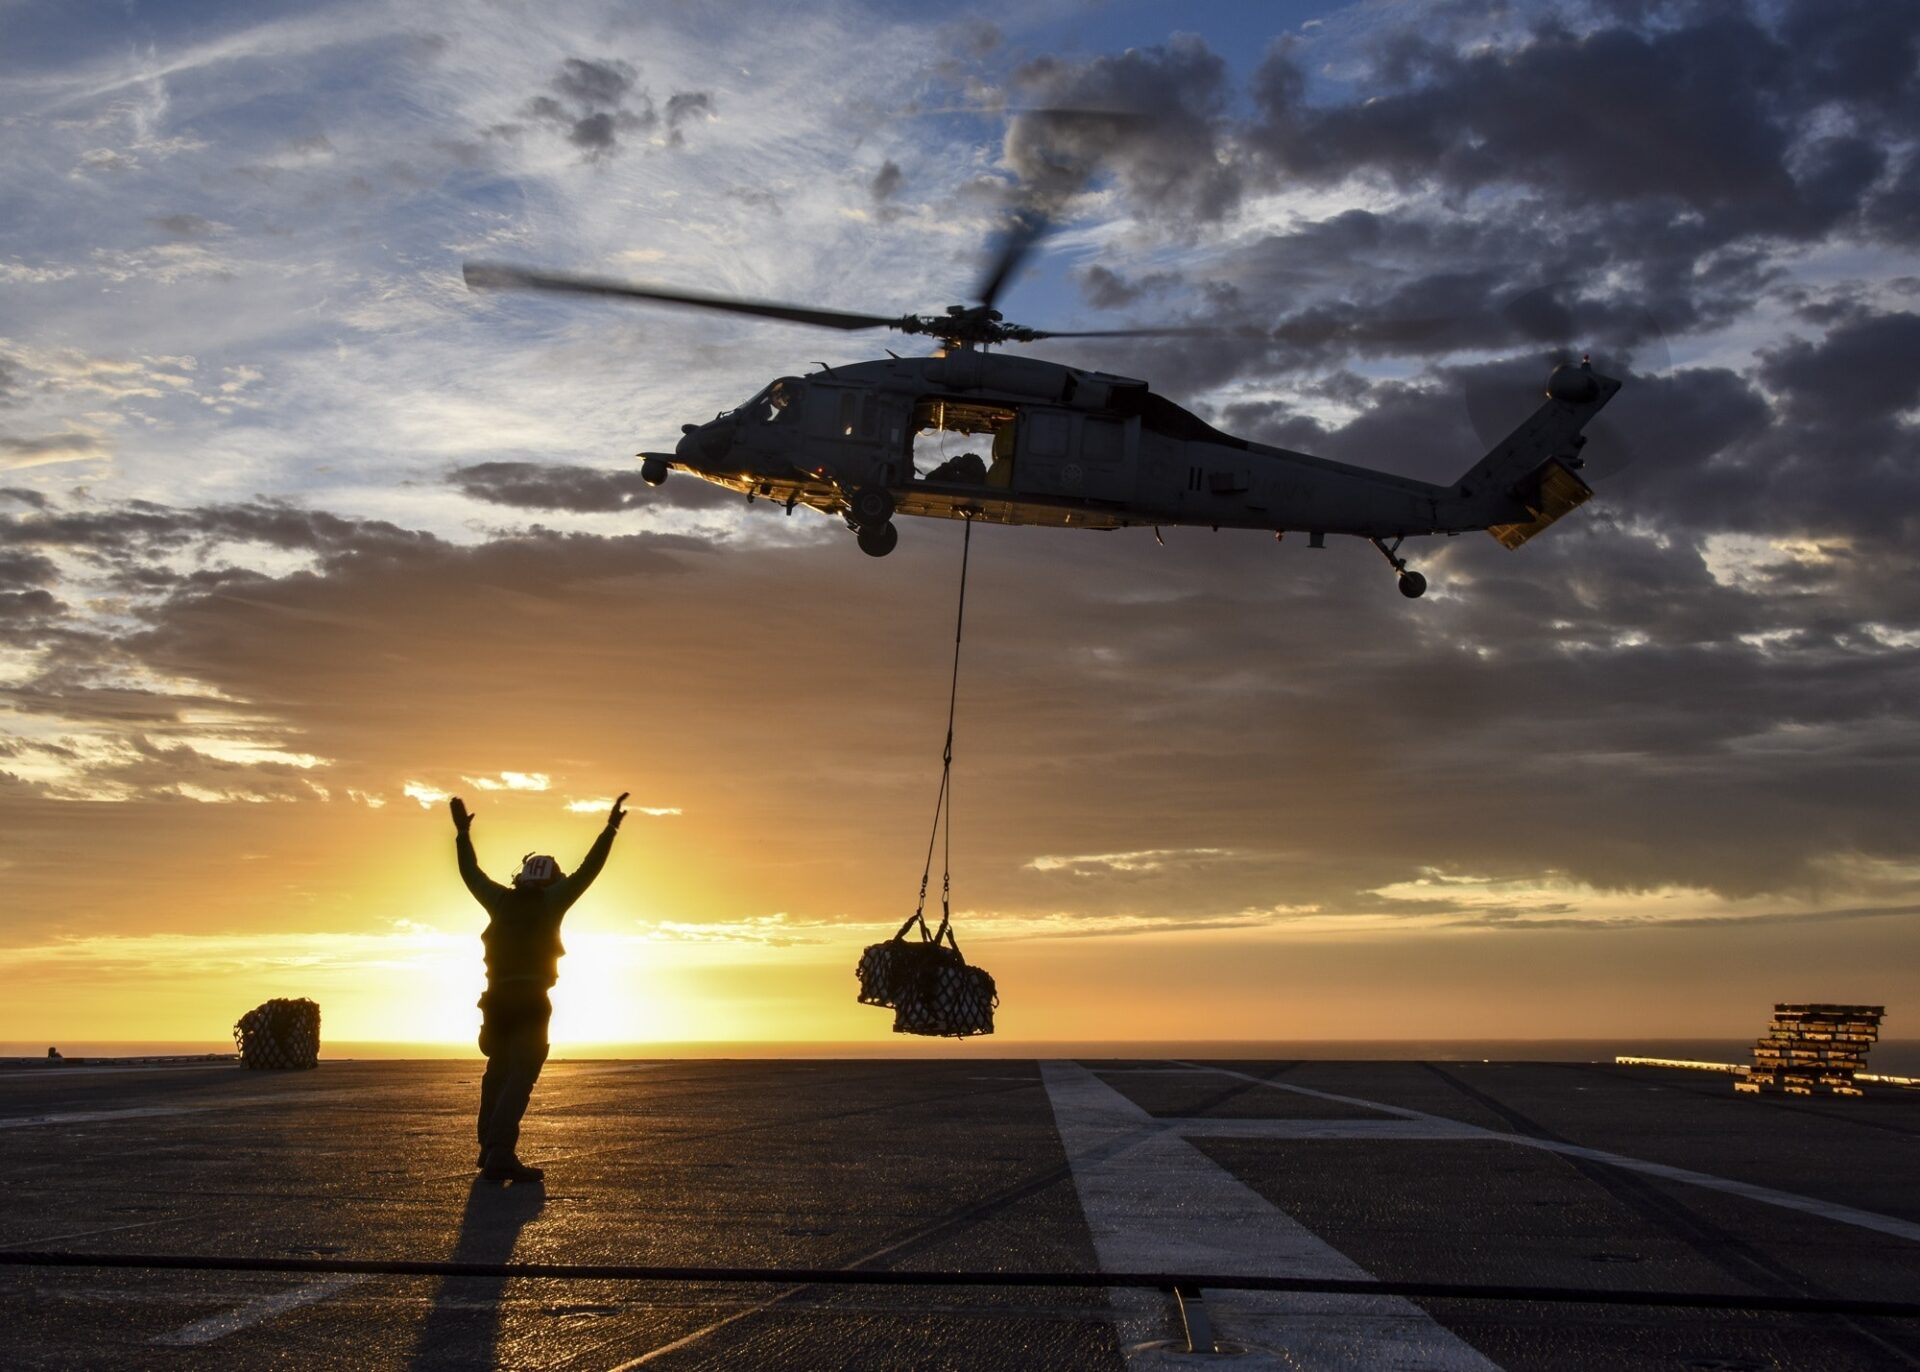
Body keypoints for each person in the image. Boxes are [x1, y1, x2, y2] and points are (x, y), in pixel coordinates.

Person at [450, 790, 628, 1183]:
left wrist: (462, 835)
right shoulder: (552, 901)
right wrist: (610, 829)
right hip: (531, 999)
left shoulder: (499, 900)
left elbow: (470, 874)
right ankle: (499, 1151)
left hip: (494, 1001)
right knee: (521, 1073)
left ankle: (488, 1149)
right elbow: (588, 870)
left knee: (497, 1070)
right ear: (550, 880)